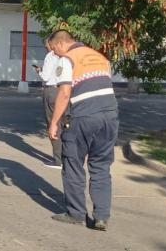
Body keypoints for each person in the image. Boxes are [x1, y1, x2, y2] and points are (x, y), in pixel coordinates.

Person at [47, 29, 119, 232]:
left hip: (84, 117)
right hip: (110, 116)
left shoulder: (67, 59)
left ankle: (76, 213)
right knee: (101, 165)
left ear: (60, 43)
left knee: (73, 163)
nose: (54, 54)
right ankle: (101, 217)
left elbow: (64, 93)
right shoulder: (99, 57)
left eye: (53, 50)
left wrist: (54, 122)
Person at [34, 38, 63, 168]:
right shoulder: (64, 56)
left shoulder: (50, 56)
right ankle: (66, 157)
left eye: (46, 45)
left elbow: (46, 76)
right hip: (62, 90)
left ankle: (58, 160)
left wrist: (39, 71)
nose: (46, 48)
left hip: (51, 90)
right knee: (63, 124)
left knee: (53, 124)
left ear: (51, 44)